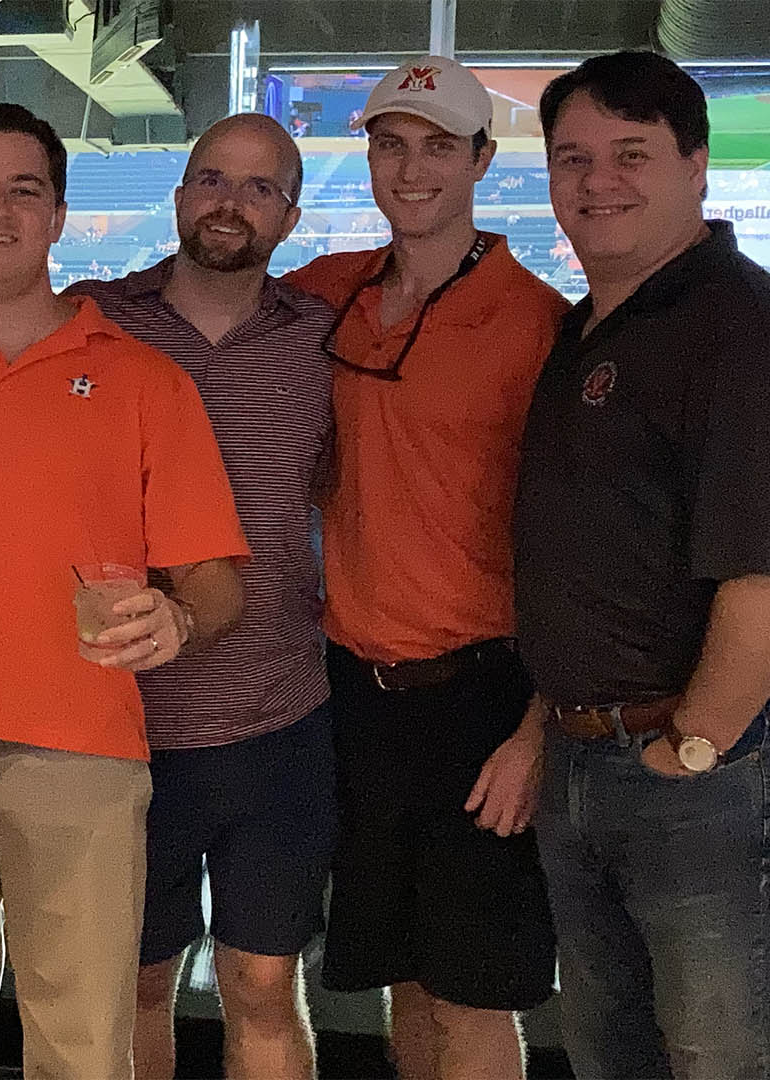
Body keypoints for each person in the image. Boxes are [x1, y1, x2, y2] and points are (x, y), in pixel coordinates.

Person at [0, 103, 249, 1080]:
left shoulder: (142, 381)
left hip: (82, 756)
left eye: (25, 190)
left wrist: (178, 618)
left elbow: (215, 582)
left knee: (82, 1051)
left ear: (58, 218)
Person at [285, 56, 570, 1080]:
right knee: (405, 980)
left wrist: (536, 735)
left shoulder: (534, 321)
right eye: (392, 145)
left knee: (473, 996)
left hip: (482, 701)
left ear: (483, 162)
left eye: (439, 148)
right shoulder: (330, 293)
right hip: (358, 698)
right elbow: (186, 305)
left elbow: (574, 548)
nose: (412, 170)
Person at [515, 50, 770, 1080]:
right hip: (583, 765)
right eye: (573, 157)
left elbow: (761, 578)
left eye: (632, 153)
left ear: (697, 164)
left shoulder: (737, 325)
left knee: (717, 1054)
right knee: (609, 1049)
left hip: (690, 770)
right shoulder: (586, 327)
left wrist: (694, 749)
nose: (596, 181)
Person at [65, 113, 335, 1080]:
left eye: (261, 188)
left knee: (263, 985)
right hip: (126, 729)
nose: (232, 201)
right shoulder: (92, 322)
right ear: (180, 197)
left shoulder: (323, 340)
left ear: (290, 216)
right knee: (136, 985)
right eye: (213, 178)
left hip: (277, 720)